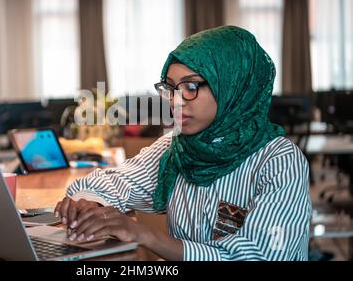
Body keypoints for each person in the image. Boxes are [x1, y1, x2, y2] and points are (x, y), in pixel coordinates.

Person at [54, 25, 312, 261]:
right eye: (170, 88)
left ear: (231, 86)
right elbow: (114, 182)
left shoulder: (279, 161)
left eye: (190, 87)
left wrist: (145, 235)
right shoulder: (177, 147)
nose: (176, 102)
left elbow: (262, 257)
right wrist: (89, 206)